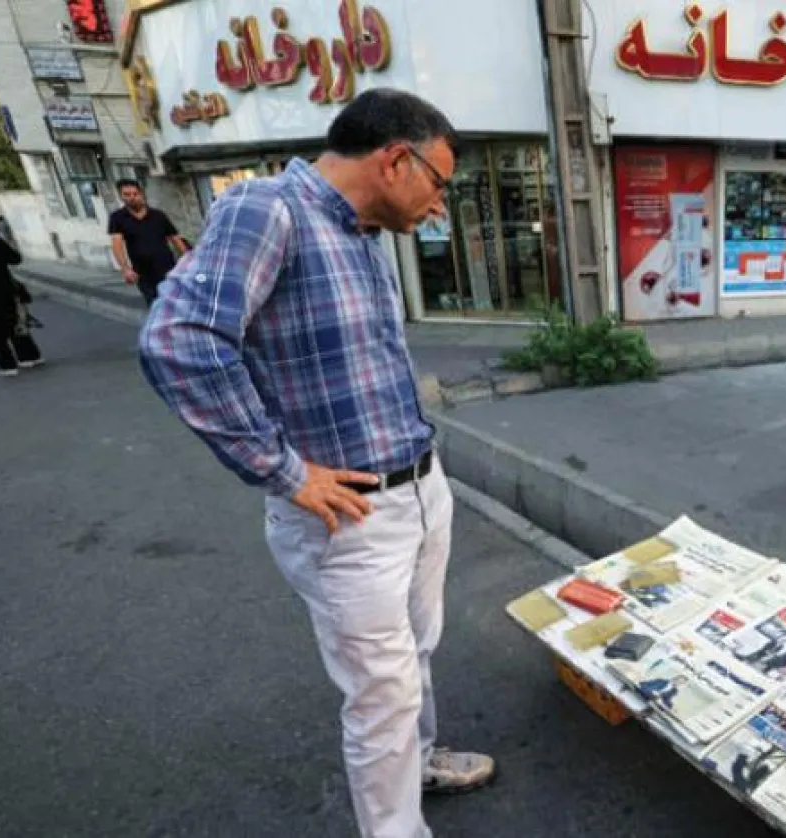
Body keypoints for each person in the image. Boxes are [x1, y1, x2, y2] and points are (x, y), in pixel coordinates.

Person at [137, 89, 490, 838]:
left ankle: (419, 762)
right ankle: (394, 829)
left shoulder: (359, 234)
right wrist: (284, 471)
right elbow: (180, 341)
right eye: (439, 182)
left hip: (419, 492)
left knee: (416, 655)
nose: (438, 205)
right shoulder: (269, 210)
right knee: (381, 690)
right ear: (396, 159)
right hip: (349, 517)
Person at [108, 179, 189, 306]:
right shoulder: (118, 218)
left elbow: (175, 239)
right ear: (121, 196)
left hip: (167, 268)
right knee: (155, 305)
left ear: (141, 194)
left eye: (135, 194)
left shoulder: (158, 216)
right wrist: (125, 269)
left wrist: (188, 262)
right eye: (127, 195)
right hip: (143, 272)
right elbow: (117, 244)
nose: (132, 198)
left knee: (175, 303)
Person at [0, 223, 43, 377]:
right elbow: (15, 259)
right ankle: (29, 357)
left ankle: (7, 366)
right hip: (4, 290)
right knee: (15, 324)